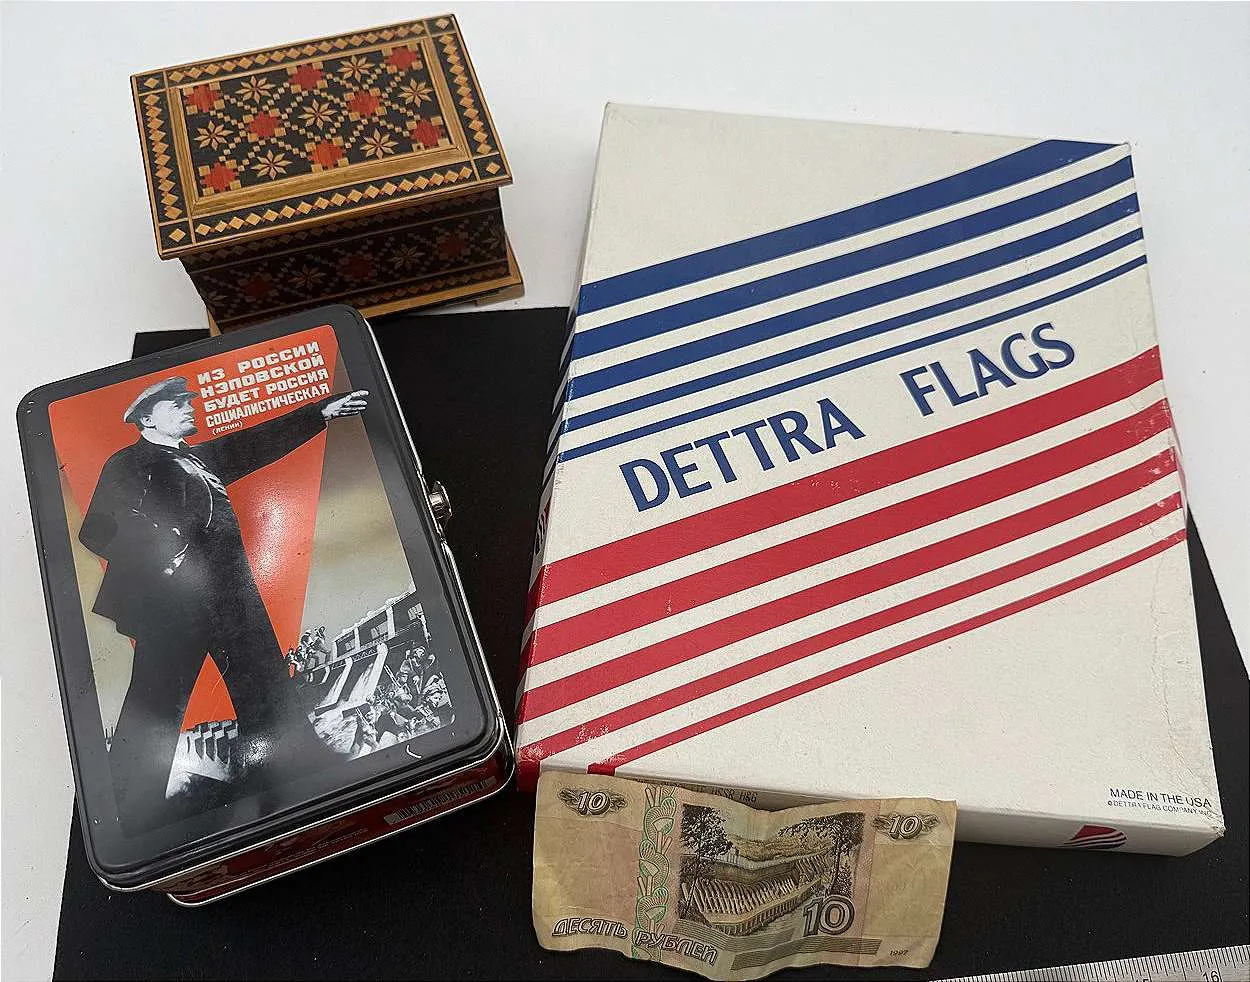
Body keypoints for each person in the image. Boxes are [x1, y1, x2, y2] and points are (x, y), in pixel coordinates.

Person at [78, 376, 369, 831]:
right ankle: (128, 816)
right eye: (176, 403)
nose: (189, 406)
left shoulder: (197, 458)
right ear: (147, 418)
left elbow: (254, 443)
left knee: (267, 690)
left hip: (233, 600)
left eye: (188, 400)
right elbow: (98, 528)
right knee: (154, 708)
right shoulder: (129, 463)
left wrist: (319, 413)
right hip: (173, 606)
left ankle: (298, 782)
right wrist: (165, 551)